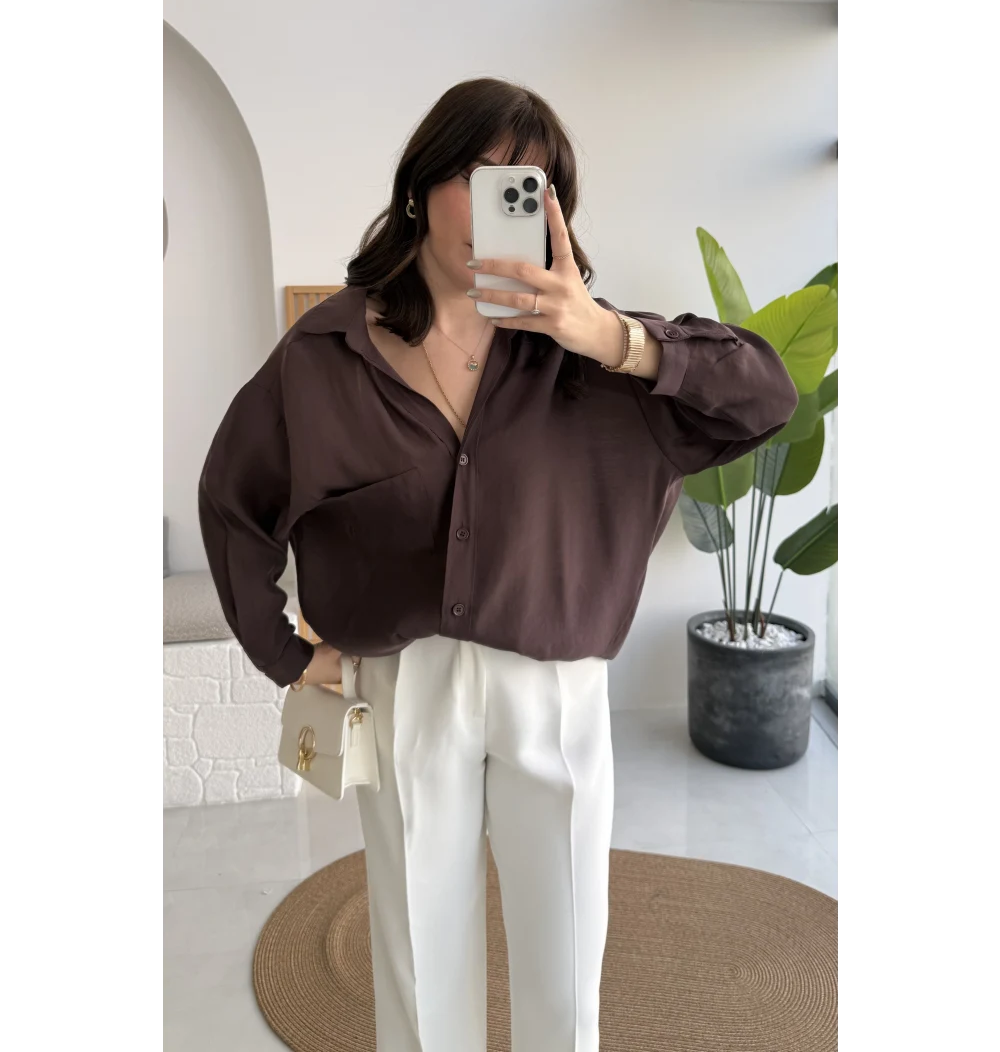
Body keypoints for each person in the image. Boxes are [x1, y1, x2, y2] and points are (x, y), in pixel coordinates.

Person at [197, 76, 798, 1052]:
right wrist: (285, 653)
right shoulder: (326, 354)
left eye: (527, 185)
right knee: (419, 960)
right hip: (403, 683)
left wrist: (609, 337)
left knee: (566, 961)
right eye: (479, 177)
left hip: (554, 685)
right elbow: (234, 500)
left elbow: (766, 395)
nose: (498, 205)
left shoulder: (592, 354)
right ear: (420, 188)